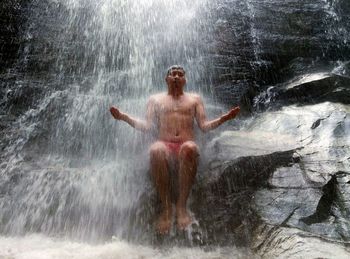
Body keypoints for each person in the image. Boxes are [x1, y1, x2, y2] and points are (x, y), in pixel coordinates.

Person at [110, 65, 240, 234]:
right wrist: (124, 117)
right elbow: (147, 126)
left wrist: (224, 118)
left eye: (180, 74)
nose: (177, 77)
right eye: (173, 74)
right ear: (166, 79)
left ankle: (181, 206)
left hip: (185, 145)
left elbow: (204, 126)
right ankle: (166, 209)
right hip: (165, 143)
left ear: (185, 80)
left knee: (190, 147)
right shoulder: (155, 100)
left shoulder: (195, 99)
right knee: (156, 149)